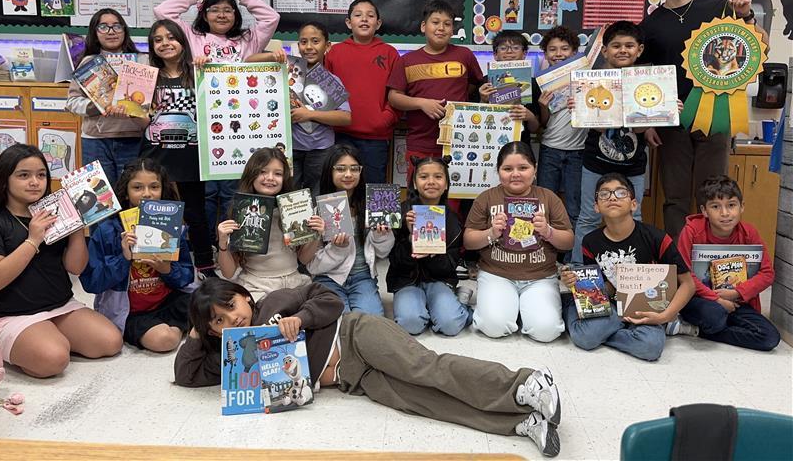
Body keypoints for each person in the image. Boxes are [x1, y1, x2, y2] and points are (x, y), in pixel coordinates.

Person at [175, 278, 563, 457]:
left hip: (355, 335)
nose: (232, 319)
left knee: (427, 369)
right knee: (425, 402)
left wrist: (302, 319)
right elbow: (185, 374)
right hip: (353, 379)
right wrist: (196, 332)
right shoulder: (233, 355)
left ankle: (524, 385)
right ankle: (518, 421)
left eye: (231, 306)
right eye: (218, 321)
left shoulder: (275, 302)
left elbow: (327, 297)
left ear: (244, 296)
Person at [639, 0, 766, 238]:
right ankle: (681, 263)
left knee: (715, 195)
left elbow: (759, 48)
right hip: (672, 121)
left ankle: (712, 262)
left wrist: (747, 16)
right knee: (675, 198)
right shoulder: (650, 25)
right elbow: (643, 78)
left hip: (716, 116)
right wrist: (648, 123)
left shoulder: (720, 8)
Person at [154, 0, 280, 248]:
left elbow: (271, 18)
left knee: (235, 189)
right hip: (200, 127)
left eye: (228, 10)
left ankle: (235, 245)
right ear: (204, 13)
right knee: (207, 194)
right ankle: (211, 245)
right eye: (215, 10)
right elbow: (162, 12)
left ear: (236, 16)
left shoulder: (248, 41)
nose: (222, 15)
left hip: (239, 127)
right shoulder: (192, 37)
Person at [0, 144, 122, 378]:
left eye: (41, 174)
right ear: (4, 179)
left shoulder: (53, 212)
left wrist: (76, 228)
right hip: (10, 313)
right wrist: (33, 240)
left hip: (59, 305)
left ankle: (44, 335)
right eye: (24, 175)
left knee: (111, 342)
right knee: (54, 360)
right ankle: (27, 340)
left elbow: (75, 267)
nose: (35, 181)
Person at [569, 21, 684, 264]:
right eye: (616, 45)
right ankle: (580, 269)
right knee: (589, 216)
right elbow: (597, 126)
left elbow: (640, 128)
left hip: (633, 165)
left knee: (634, 215)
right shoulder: (592, 81)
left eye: (629, 46)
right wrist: (581, 108)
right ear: (604, 50)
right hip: (595, 162)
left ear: (639, 50)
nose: (623, 50)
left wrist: (663, 110)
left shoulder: (648, 80)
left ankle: (634, 267)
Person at [560, 173, 696, 361]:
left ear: (634, 204)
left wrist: (665, 317)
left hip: (644, 307)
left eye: (620, 193)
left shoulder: (656, 237)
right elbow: (602, 290)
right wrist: (577, 283)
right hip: (611, 306)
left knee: (650, 347)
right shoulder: (590, 241)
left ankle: (608, 332)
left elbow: (688, 284)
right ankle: (572, 308)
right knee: (585, 338)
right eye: (604, 194)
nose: (613, 197)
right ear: (596, 207)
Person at [80, 158, 193, 352]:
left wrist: (167, 269)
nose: (147, 194)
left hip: (169, 302)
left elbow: (186, 276)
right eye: (138, 187)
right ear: (125, 192)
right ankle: (183, 329)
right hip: (130, 312)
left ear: (162, 190)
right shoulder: (107, 231)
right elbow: (92, 283)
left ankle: (181, 326)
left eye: (154, 187)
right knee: (164, 340)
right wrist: (123, 258)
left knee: (217, 302)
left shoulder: (173, 225)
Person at [464, 142, 573, 342]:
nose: (515, 174)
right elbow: (469, 241)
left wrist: (548, 232)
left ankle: (528, 308)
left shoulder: (548, 198)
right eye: (507, 169)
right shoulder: (486, 198)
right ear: (498, 171)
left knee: (546, 331)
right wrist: (491, 232)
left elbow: (568, 241)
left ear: (535, 169)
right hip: (496, 274)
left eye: (523, 168)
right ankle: (512, 308)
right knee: (494, 327)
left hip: (540, 276)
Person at [140, 19, 214, 275]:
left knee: (196, 214)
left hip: (191, 159)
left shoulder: (198, 73)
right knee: (160, 213)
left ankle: (206, 265)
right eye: (158, 40)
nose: (165, 43)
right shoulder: (146, 76)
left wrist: (207, 68)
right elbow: (142, 119)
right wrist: (126, 108)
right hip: (156, 157)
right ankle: (158, 267)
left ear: (182, 42)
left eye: (171, 38)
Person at [675, 175, 780, 351]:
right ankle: (710, 322)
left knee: (769, 338)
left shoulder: (749, 233)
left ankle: (699, 331)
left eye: (731, 205)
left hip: (737, 301)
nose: (725, 213)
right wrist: (716, 299)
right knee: (714, 317)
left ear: (742, 207)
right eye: (716, 207)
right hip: (701, 300)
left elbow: (767, 273)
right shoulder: (692, 231)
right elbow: (684, 272)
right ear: (705, 211)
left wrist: (736, 293)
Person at [247, 22, 351, 196]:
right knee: (288, 193)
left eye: (315, 41)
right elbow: (247, 62)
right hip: (288, 148)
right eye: (303, 42)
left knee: (318, 193)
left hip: (321, 149)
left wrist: (309, 114)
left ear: (327, 46)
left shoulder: (331, 80)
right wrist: (273, 56)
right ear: (298, 46)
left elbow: (346, 117)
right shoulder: (285, 70)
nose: (309, 47)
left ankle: (315, 224)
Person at [387, 0, 484, 177]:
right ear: (424, 26)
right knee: (420, 196)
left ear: (452, 30)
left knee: (452, 200)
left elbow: (475, 85)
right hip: (420, 142)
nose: (441, 28)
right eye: (436, 22)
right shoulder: (407, 61)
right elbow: (394, 97)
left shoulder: (464, 55)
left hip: (459, 143)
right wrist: (422, 103)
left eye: (447, 24)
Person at [215, 147, 320, 302]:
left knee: (324, 305)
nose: (270, 178)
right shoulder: (240, 211)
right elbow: (228, 273)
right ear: (251, 175)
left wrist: (316, 235)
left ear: (284, 178)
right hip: (256, 285)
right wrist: (222, 244)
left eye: (278, 173)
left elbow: (303, 259)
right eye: (263, 172)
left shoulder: (293, 208)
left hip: (294, 282)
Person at [387, 155, 472, 336]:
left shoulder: (453, 220)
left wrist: (433, 253)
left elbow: (449, 265)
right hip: (406, 279)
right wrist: (410, 237)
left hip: (439, 279)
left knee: (450, 325)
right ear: (415, 184)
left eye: (438, 177)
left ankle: (458, 304)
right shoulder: (400, 213)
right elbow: (393, 261)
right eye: (424, 177)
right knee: (410, 324)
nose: (431, 182)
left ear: (447, 184)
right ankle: (425, 306)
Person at [65, 9, 149, 188]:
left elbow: (150, 102)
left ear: (124, 30)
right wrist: (99, 105)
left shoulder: (142, 61)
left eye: (117, 26)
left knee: (133, 196)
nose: (111, 32)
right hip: (96, 140)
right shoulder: (88, 63)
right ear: (95, 33)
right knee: (101, 198)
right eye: (103, 27)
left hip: (133, 138)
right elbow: (72, 102)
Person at [307, 144, 392, 314]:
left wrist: (381, 235)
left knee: (371, 321)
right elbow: (312, 266)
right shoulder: (315, 210)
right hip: (328, 277)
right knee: (338, 320)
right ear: (329, 172)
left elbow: (383, 253)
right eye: (340, 169)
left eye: (354, 169)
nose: (348, 174)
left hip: (363, 277)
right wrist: (337, 249)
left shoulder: (374, 205)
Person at [324, 0, 401, 183]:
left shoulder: (390, 53)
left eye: (370, 15)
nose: (364, 19)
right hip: (340, 135)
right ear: (349, 23)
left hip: (376, 138)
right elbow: (325, 95)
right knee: (341, 188)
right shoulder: (335, 53)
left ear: (378, 23)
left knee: (374, 188)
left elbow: (398, 94)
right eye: (358, 15)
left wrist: (385, 119)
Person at [534, 26, 587, 227]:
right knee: (545, 205)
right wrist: (543, 106)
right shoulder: (541, 82)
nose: (558, 54)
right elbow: (543, 124)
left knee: (574, 206)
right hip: (550, 149)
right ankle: (546, 254)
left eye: (564, 49)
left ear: (574, 53)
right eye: (552, 49)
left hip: (578, 152)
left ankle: (571, 256)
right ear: (545, 54)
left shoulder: (586, 79)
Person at [478, 30, 540, 146]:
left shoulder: (532, 84)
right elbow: (475, 120)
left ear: (524, 53)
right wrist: (483, 100)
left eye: (516, 48)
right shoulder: (485, 83)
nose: (509, 52)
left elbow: (535, 129)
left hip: (521, 144)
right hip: (489, 143)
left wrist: (530, 117)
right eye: (503, 48)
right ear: (495, 54)